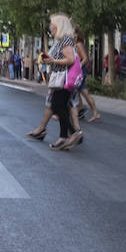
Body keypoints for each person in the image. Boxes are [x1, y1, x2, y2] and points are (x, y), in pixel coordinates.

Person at [41, 13, 82, 151]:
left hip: (63, 80)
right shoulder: (63, 40)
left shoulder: (65, 40)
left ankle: (71, 134)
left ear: (59, 26)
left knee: (58, 106)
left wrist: (53, 61)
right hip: (60, 79)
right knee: (59, 106)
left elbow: (70, 59)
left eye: (52, 24)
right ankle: (64, 137)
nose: (50, 26)